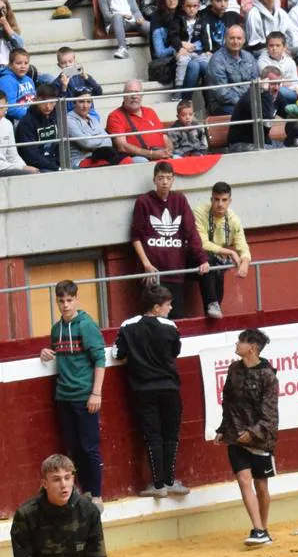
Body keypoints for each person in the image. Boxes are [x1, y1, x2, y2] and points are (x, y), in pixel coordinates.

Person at [114, 284, 187, 499]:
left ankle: (158, 485)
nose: (171, 308)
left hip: (143, 389)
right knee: (170, 435)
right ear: (156, 308)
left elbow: (118, 353)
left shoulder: (128, 325)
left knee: (153, 436)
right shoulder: (170, 327)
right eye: (167, 304)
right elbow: (176, 352)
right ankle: (170, 480)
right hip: (169, 388)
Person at [42, 281, 106, 502]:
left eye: (69, 300)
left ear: (76, 299)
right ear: (57, 302)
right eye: (61, 301)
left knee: (90, 447)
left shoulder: (87, 325)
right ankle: (85, 491)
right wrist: (45, 352)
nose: (65, 305)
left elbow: (100, 359)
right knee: (73, 447)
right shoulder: (56, 329)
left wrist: (96, 393)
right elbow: (56, 352)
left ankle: (96, 495)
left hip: (85, 396)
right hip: (64, 396)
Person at [216, 327, 280, 546]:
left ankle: (264, 528)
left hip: (260, 439)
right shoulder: (234, 369)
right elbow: (228, 403)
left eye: (240, 342)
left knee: (261, 486)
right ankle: (258, 529)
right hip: (235, 436)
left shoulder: (268, 376)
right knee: (244, 480)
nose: (236, 345)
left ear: (252, 348)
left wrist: (252, 434)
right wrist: (223, 429)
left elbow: (270, 413)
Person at [130, 161, 211, 318]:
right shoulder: (143, 201)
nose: (165, 182)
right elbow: (135, 237)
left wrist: (202, 259)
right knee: (153, 321)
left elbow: (191, 232)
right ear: (154, 180)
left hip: (175, 272)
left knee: (176, 319)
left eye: (168, 178)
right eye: (161, 178)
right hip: (152, 275)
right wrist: (146, 264)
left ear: (173, 179)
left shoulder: (179, 200)